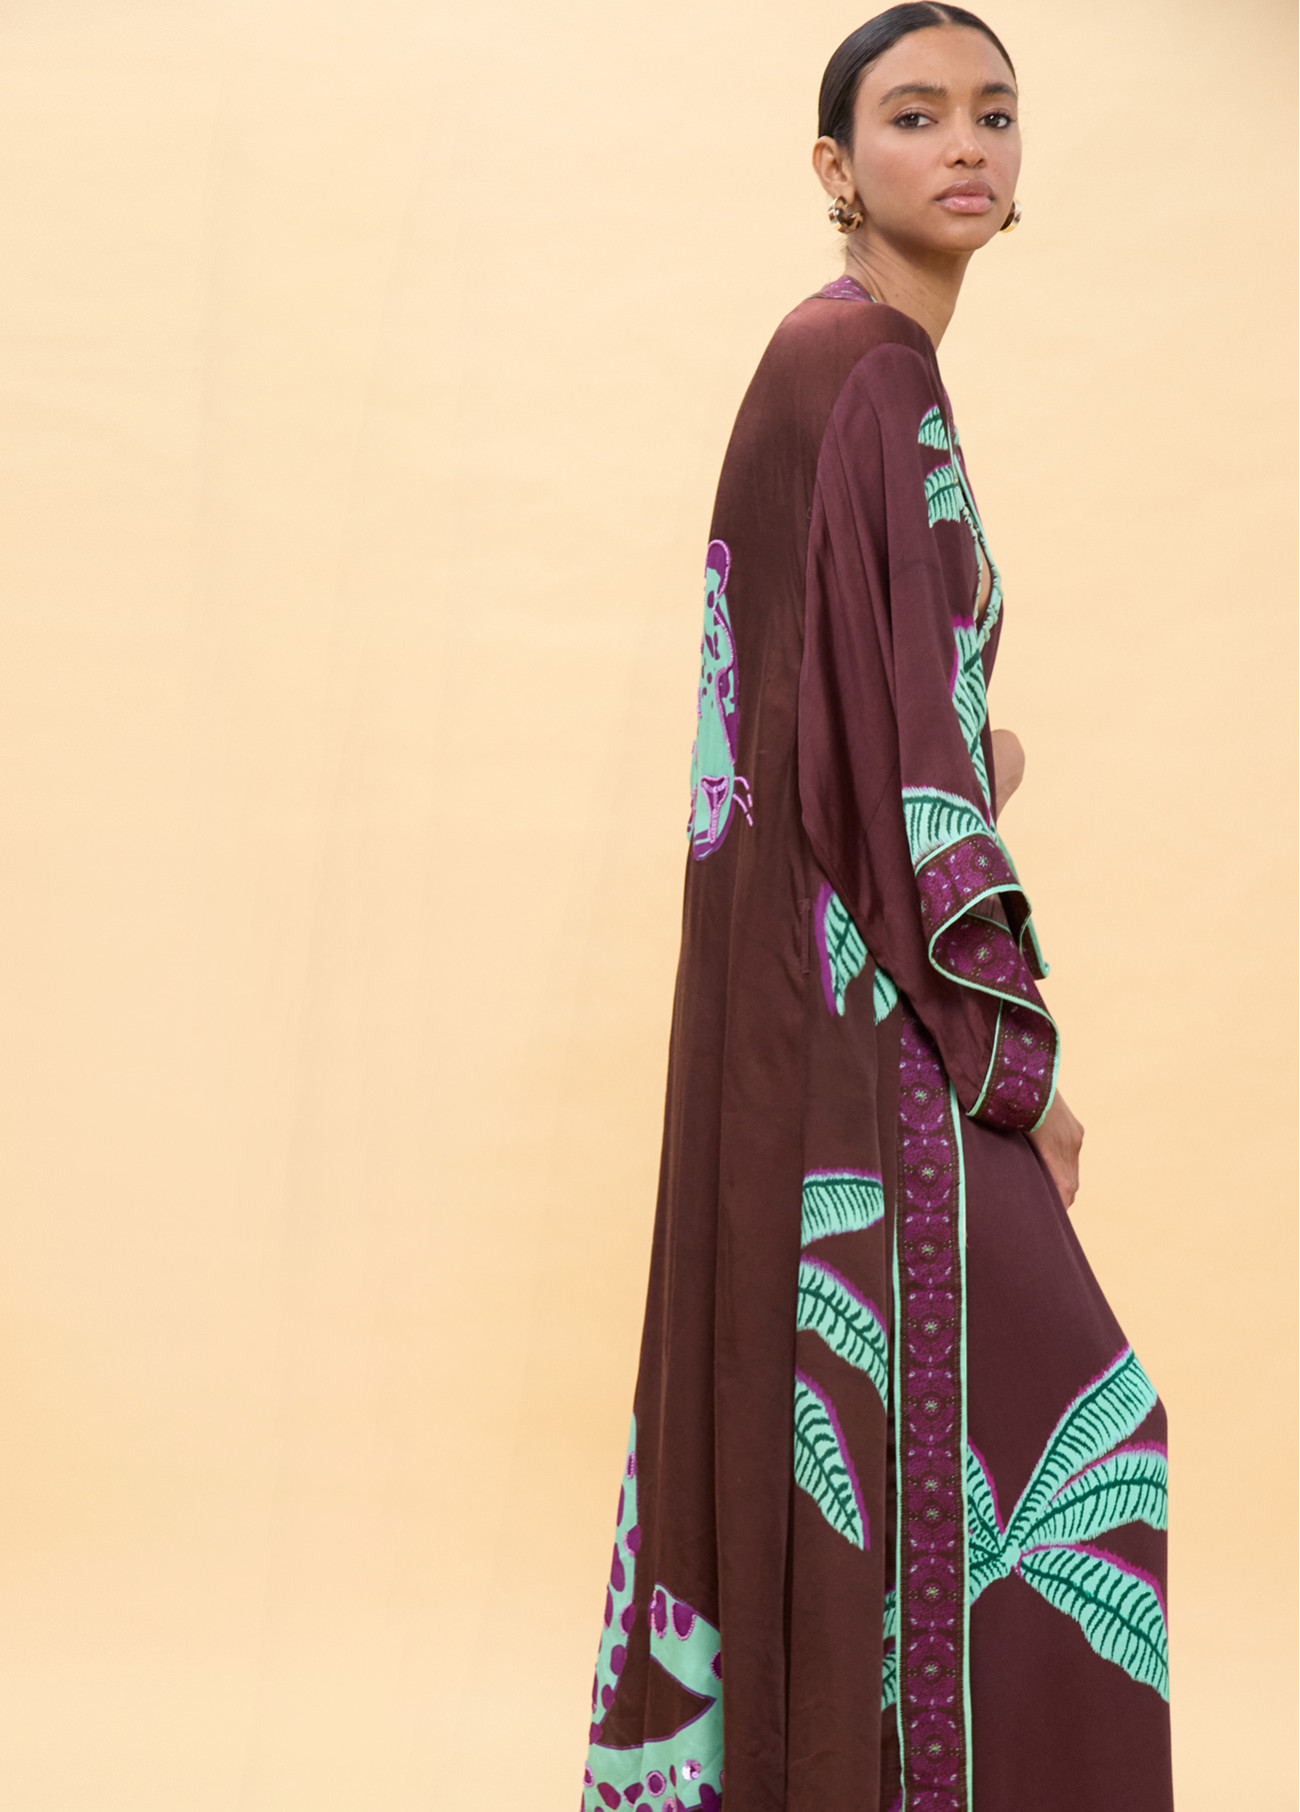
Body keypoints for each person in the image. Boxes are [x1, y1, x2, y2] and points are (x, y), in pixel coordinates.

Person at [579, 8, 1174, 1809]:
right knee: (1081, 1447)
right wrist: (1012, 1070)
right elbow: (887, 770)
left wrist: (967, 741)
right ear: (838, 165)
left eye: (995, 111)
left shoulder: (833, 361)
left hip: (811, 1004)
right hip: (872, 1028)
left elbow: (836, 707)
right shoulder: (866, 367)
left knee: (883, 1459)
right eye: (916, 116)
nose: (967, 143)